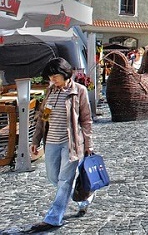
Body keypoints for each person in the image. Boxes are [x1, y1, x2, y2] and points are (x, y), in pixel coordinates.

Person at [30, 58, 94, 231]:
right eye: (50, 76)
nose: (53, 79)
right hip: (51, 142)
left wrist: (88, 143)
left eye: (55, 76)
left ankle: (53, 218)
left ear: (65, 73)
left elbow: (86, 120)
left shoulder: (78, 91)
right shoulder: (50, 92)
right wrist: (35, 140)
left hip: (71, 143)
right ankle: (85, 197)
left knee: (65, 180)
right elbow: (43, 119)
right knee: (54, 177)